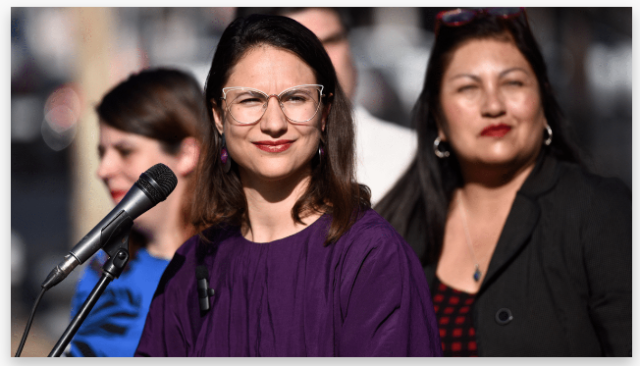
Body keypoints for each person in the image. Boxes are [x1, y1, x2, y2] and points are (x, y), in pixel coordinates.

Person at [134, 14, 441, 357]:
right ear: (219, 116)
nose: (275, 123)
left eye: (295, 98)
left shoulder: (370, 256)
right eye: (250, 99)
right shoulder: (193, 264)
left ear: (324, 113)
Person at [375, 8, 632, 357]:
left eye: (513, 83)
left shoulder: (601, 210)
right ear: (438, 116)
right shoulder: (398, 230)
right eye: (468, 87)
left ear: (543, 100)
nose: (493, 105)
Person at [67, 68, 205, 357]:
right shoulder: (102, 268)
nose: (103, 170)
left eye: (125, 151)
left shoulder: (230, 265)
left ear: (186, 154)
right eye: (101, 152)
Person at [235, 7, 417, 205]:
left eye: (330, 42)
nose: (319, 60)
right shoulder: (223, 170)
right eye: (294, 48)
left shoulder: (411, 158)